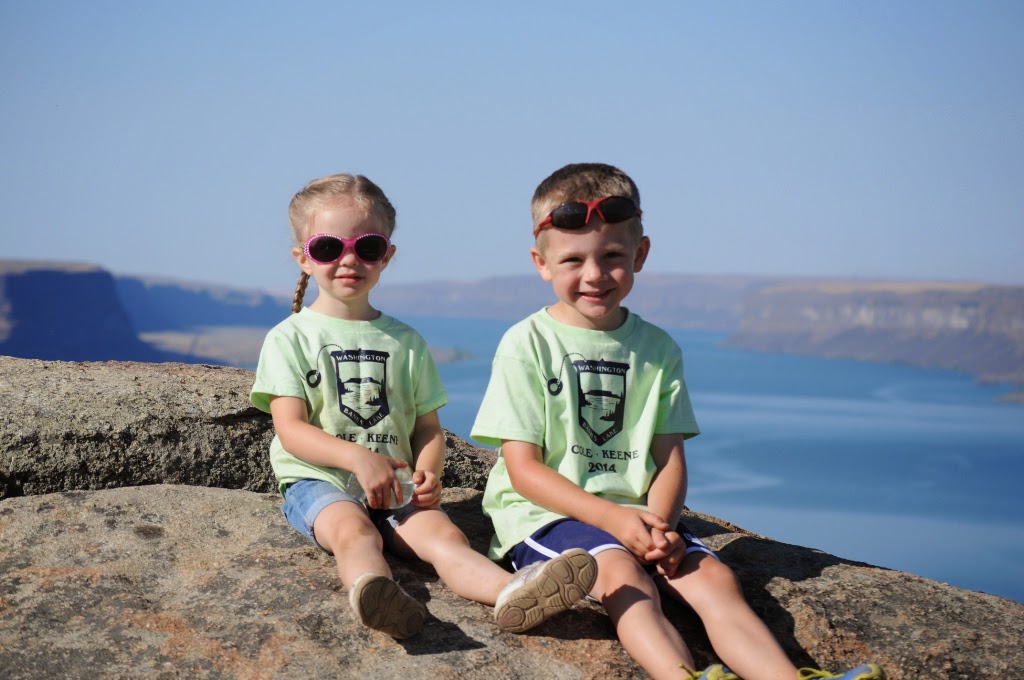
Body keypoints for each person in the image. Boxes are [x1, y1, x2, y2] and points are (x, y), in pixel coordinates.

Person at [470, 163, 885, 680]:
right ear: (541, 263)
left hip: (641, 515)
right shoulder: (527, 343)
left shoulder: (657, 348)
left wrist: (660, 527)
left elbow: (668, 458)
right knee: (625, 578)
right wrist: (615, 522)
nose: (594, 274)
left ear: (640, 254)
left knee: (714, 580)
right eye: (573, 259)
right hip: (545, 515)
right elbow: (523, 469)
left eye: (612, 256)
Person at [251, 173, 597, 640]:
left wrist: (428, 473)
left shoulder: (406, 342)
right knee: (355, 533)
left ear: (387, 255)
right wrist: (358, 459)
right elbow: (291, 430)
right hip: (321, 482)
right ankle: (377, 594)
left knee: (445, 537)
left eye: (367, 247)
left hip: (396, 488)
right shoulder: (289, 338)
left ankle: (514, 593)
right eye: (329, 248)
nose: (349, 259)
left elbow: (427, 428)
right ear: (304, 258)